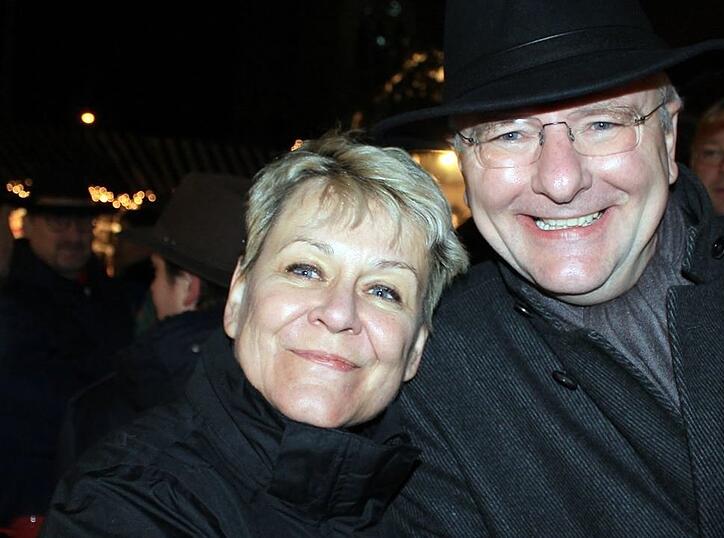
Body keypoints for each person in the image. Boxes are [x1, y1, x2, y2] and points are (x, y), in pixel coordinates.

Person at [372, 1, 724, 535]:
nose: (560, 179)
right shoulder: (426, 376)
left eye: (602, 123)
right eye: (507, 133)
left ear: (670, 132)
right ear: (465, 164)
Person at [40, 132, 468, 536]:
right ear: (238, 297)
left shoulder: (431, 508)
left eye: (383, 290)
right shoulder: (126, 504)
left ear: (414, 348)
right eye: (306, 269)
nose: (339, 314)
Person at [56, 173, 250, 472]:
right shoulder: (270, 401)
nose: (152, 288)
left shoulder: (115, 403)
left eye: (156, 273)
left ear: (189, 289)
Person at [0, 180, 134, 529]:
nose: (73, 235)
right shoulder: (11, 301)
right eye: (58, 223)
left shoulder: (109, 294)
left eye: (81, 223)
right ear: (27, 225)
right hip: (31, 493)